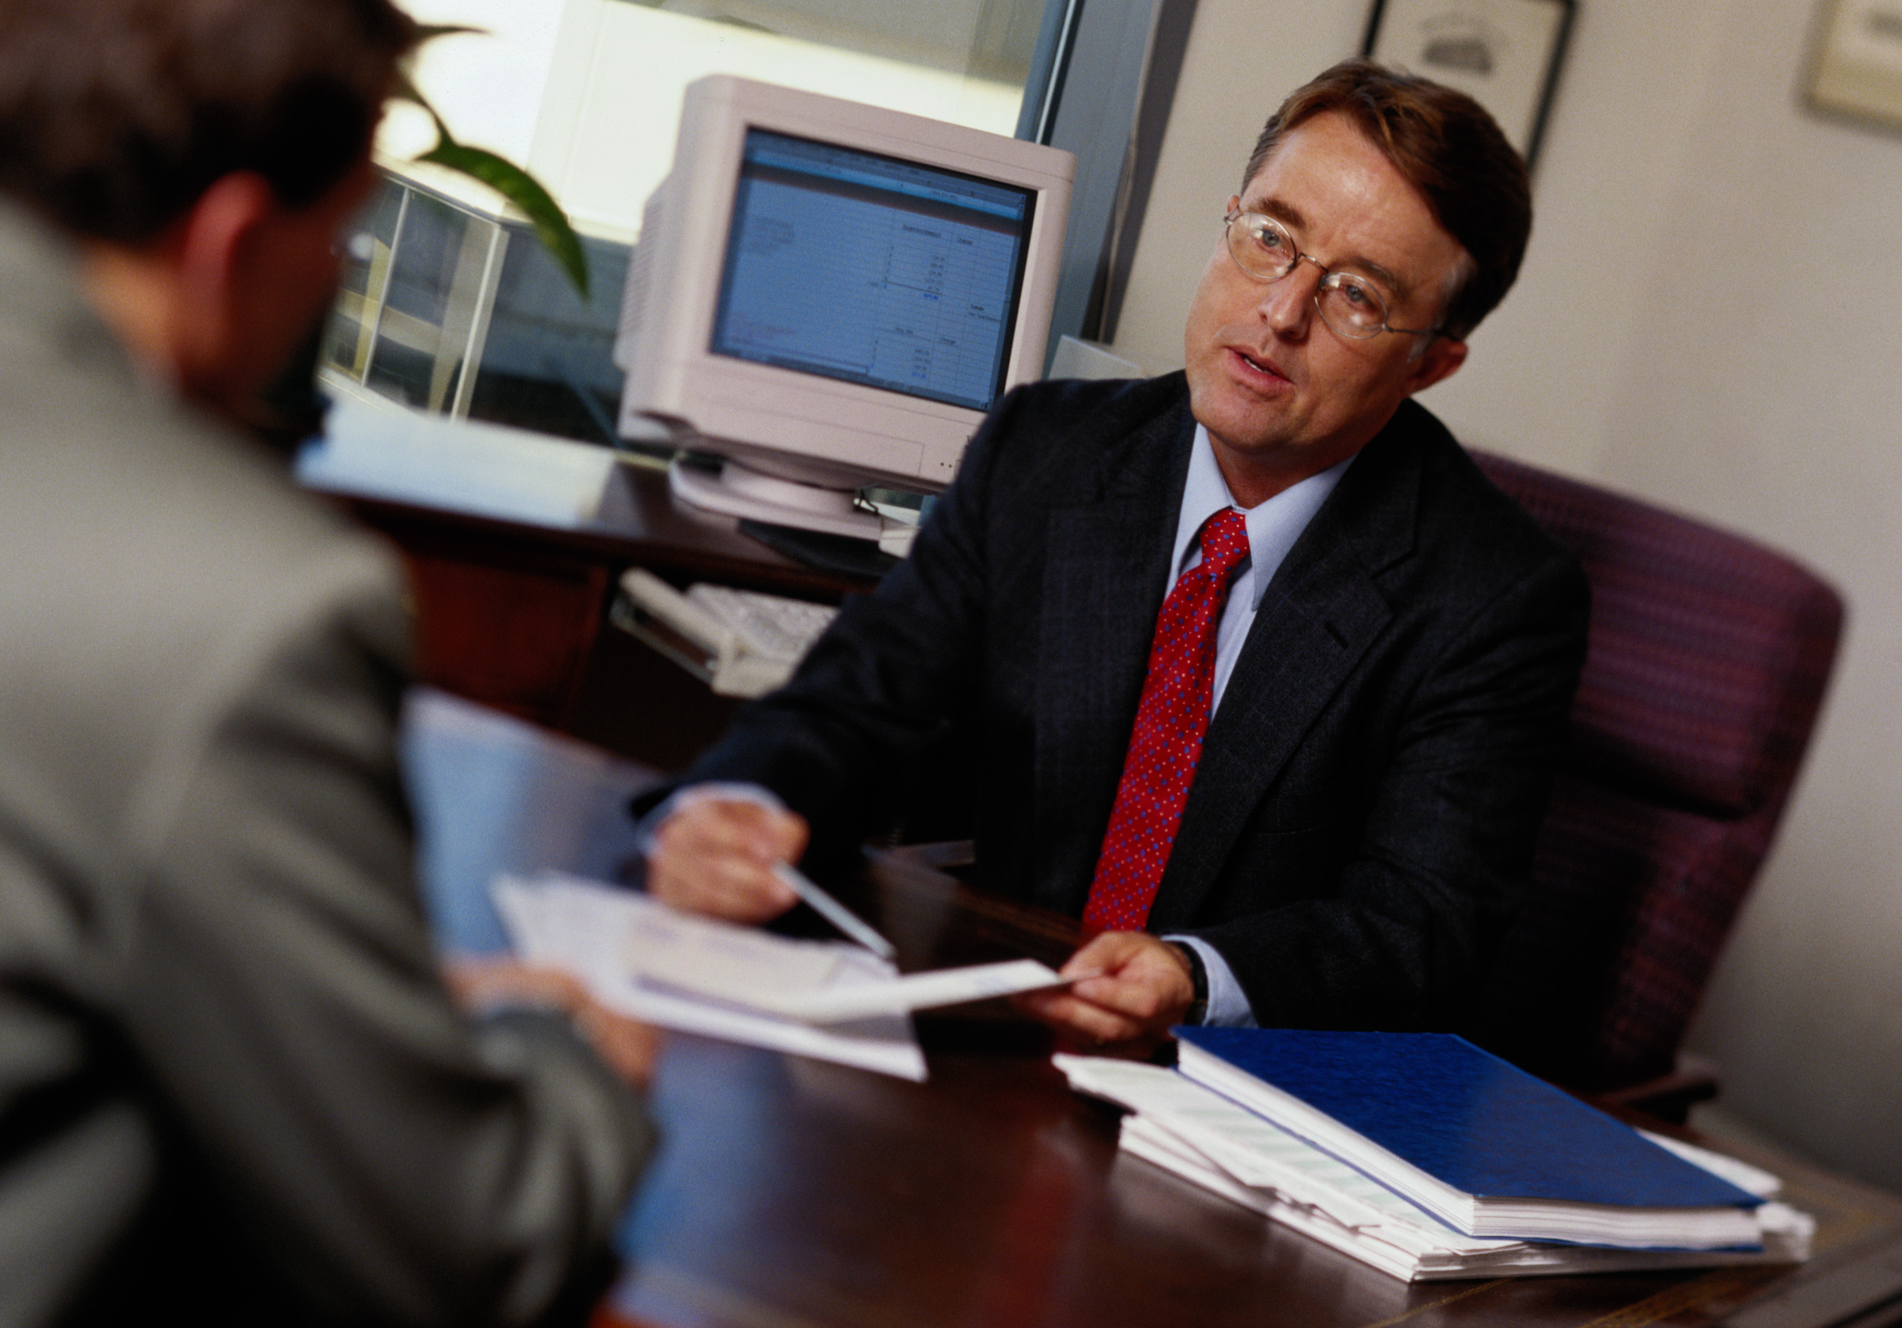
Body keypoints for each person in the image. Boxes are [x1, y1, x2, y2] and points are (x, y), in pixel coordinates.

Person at [0, 0, 656, 1325]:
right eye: (343, 240)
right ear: (231, 239)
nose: (334, 277)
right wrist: (565, 1054)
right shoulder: (248, 597)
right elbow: (464, 1235)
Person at [644, 60, 1590, 1055]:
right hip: (995, 1028)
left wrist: (1194, 976)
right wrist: (746, 807)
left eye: (1356, 296)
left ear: (1430, 361)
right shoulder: (1045, 453)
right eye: (1269, 237)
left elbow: (1420, 927)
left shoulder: (1494, 596)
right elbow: (861, 699)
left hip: (1226, 1093)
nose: (1279, 312)